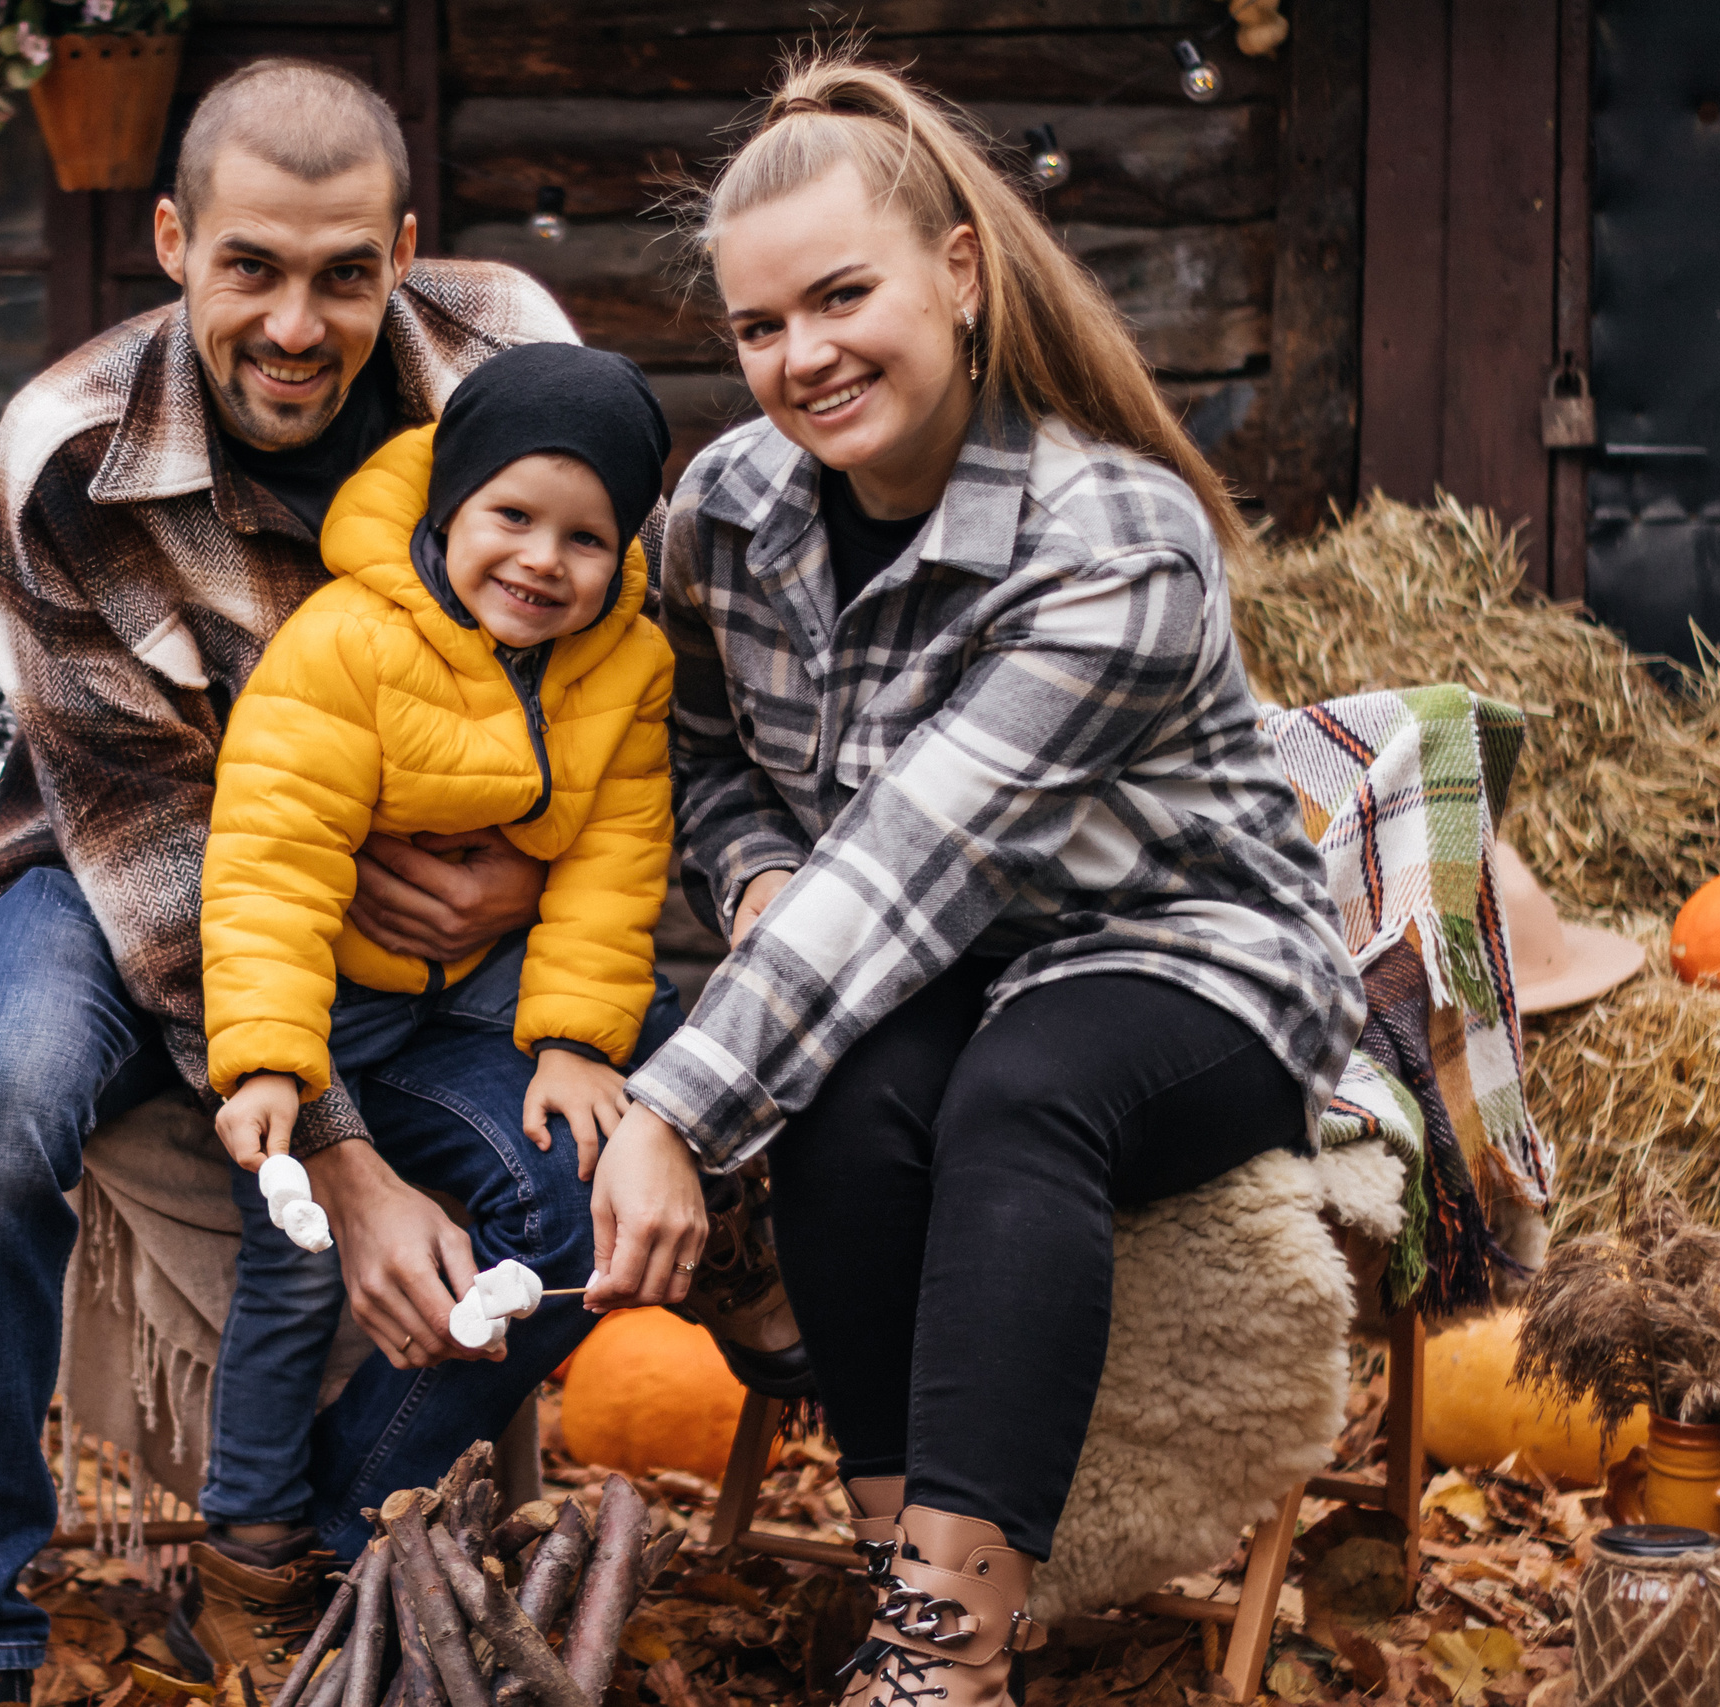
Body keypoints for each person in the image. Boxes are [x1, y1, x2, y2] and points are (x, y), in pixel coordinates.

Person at [581, 52, 1366, 1707]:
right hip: (917, 959)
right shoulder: (723, 512)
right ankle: (926, 1603)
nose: (802, 358)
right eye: (757, 326)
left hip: (1184, 954)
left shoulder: (1112, 537)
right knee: (858, 1101)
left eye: (843, 295)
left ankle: (937, 1664)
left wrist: (670, 1112)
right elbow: (701, 756)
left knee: (1021, 1090)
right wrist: (761, 873)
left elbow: (933, 848)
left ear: (960, 271)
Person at [0, 60, 598, 1707]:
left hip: (415, 861)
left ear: (404, 250)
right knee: (3, 1089)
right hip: (117, 855)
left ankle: (298, 1537)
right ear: (173, 241)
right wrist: (342, 1150)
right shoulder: (67, 451)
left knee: (596, 1174)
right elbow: (168, 866)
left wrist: (519, 873)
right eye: (250, 265)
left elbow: (614, 659)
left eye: (340, 272)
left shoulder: (513, 362)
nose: (297, 324)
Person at [196, 343, 681, 1630]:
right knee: (293, 1260)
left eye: (585, 537)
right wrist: (268, 1059)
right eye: (511, 517)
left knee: (644, 1081)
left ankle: (370, 1507)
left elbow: (617, 856)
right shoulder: (349, 642)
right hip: (342, 1005)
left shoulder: (625, 661)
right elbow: (269, 863)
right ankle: (247, 1536)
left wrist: (577, 1039)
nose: (542, 561)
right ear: (449, 507)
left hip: (475, 985)